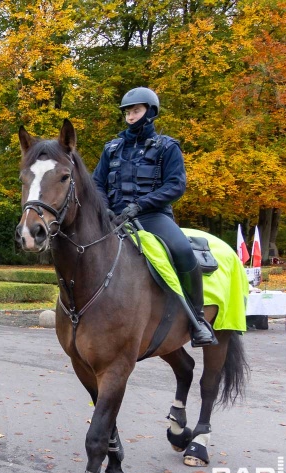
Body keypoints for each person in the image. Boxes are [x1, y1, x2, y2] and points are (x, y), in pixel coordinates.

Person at [91, 87, 216, 347]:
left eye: (136, 110)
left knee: (183, 250)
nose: (130, 116)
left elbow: (175, 186)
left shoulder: (166, 146)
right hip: (114, 218)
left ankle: (198, 319)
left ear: (150, 112)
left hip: (152, 216)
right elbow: (97, 184)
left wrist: (140, 205)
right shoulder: (111, 148)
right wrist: (105, 210)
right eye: (127, 111)